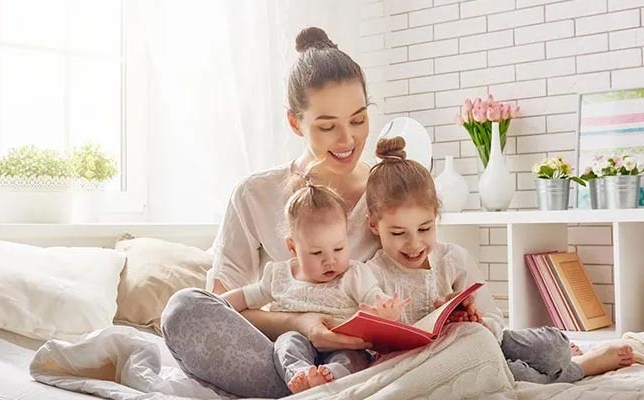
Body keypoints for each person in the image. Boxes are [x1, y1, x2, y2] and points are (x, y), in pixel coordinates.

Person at [160, 26, 381, 398]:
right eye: (327, 127)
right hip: (283, 353)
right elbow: (221, 308)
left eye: (358, 120)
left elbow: (424, 280)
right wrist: (302, 323)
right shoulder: (255, 195)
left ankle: (330, 387)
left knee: (475, 337)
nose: (348, 141)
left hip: (371, 357)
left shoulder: (388, 190)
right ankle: (319, 388)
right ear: (296, 123)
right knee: (184, 311)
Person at [363, 136, 636, 384]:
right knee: (506, 374)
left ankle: (567, 356)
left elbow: (495, 321)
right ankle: (582, 367)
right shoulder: (371, 275)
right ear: (374, 225)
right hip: (445, 362)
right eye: (398, 233)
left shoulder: (453, 258)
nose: (414, 244)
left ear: (436, 216)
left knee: (554, 348)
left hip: (485, 339)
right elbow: (374, 353)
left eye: (425, 228)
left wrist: (475, 320)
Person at [222, 166, 407, 393]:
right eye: (317, 253)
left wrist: (386, 311)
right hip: (300, 341)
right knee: (286, 343)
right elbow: (246, 296)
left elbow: (374, 297)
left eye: (338, 248)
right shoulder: (279, 276)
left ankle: (333, 379)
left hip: (344, 344)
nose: (330, 261)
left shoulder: (354, 275)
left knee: (353, 358)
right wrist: (217, 304)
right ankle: (300, 375)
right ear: (293, 247)